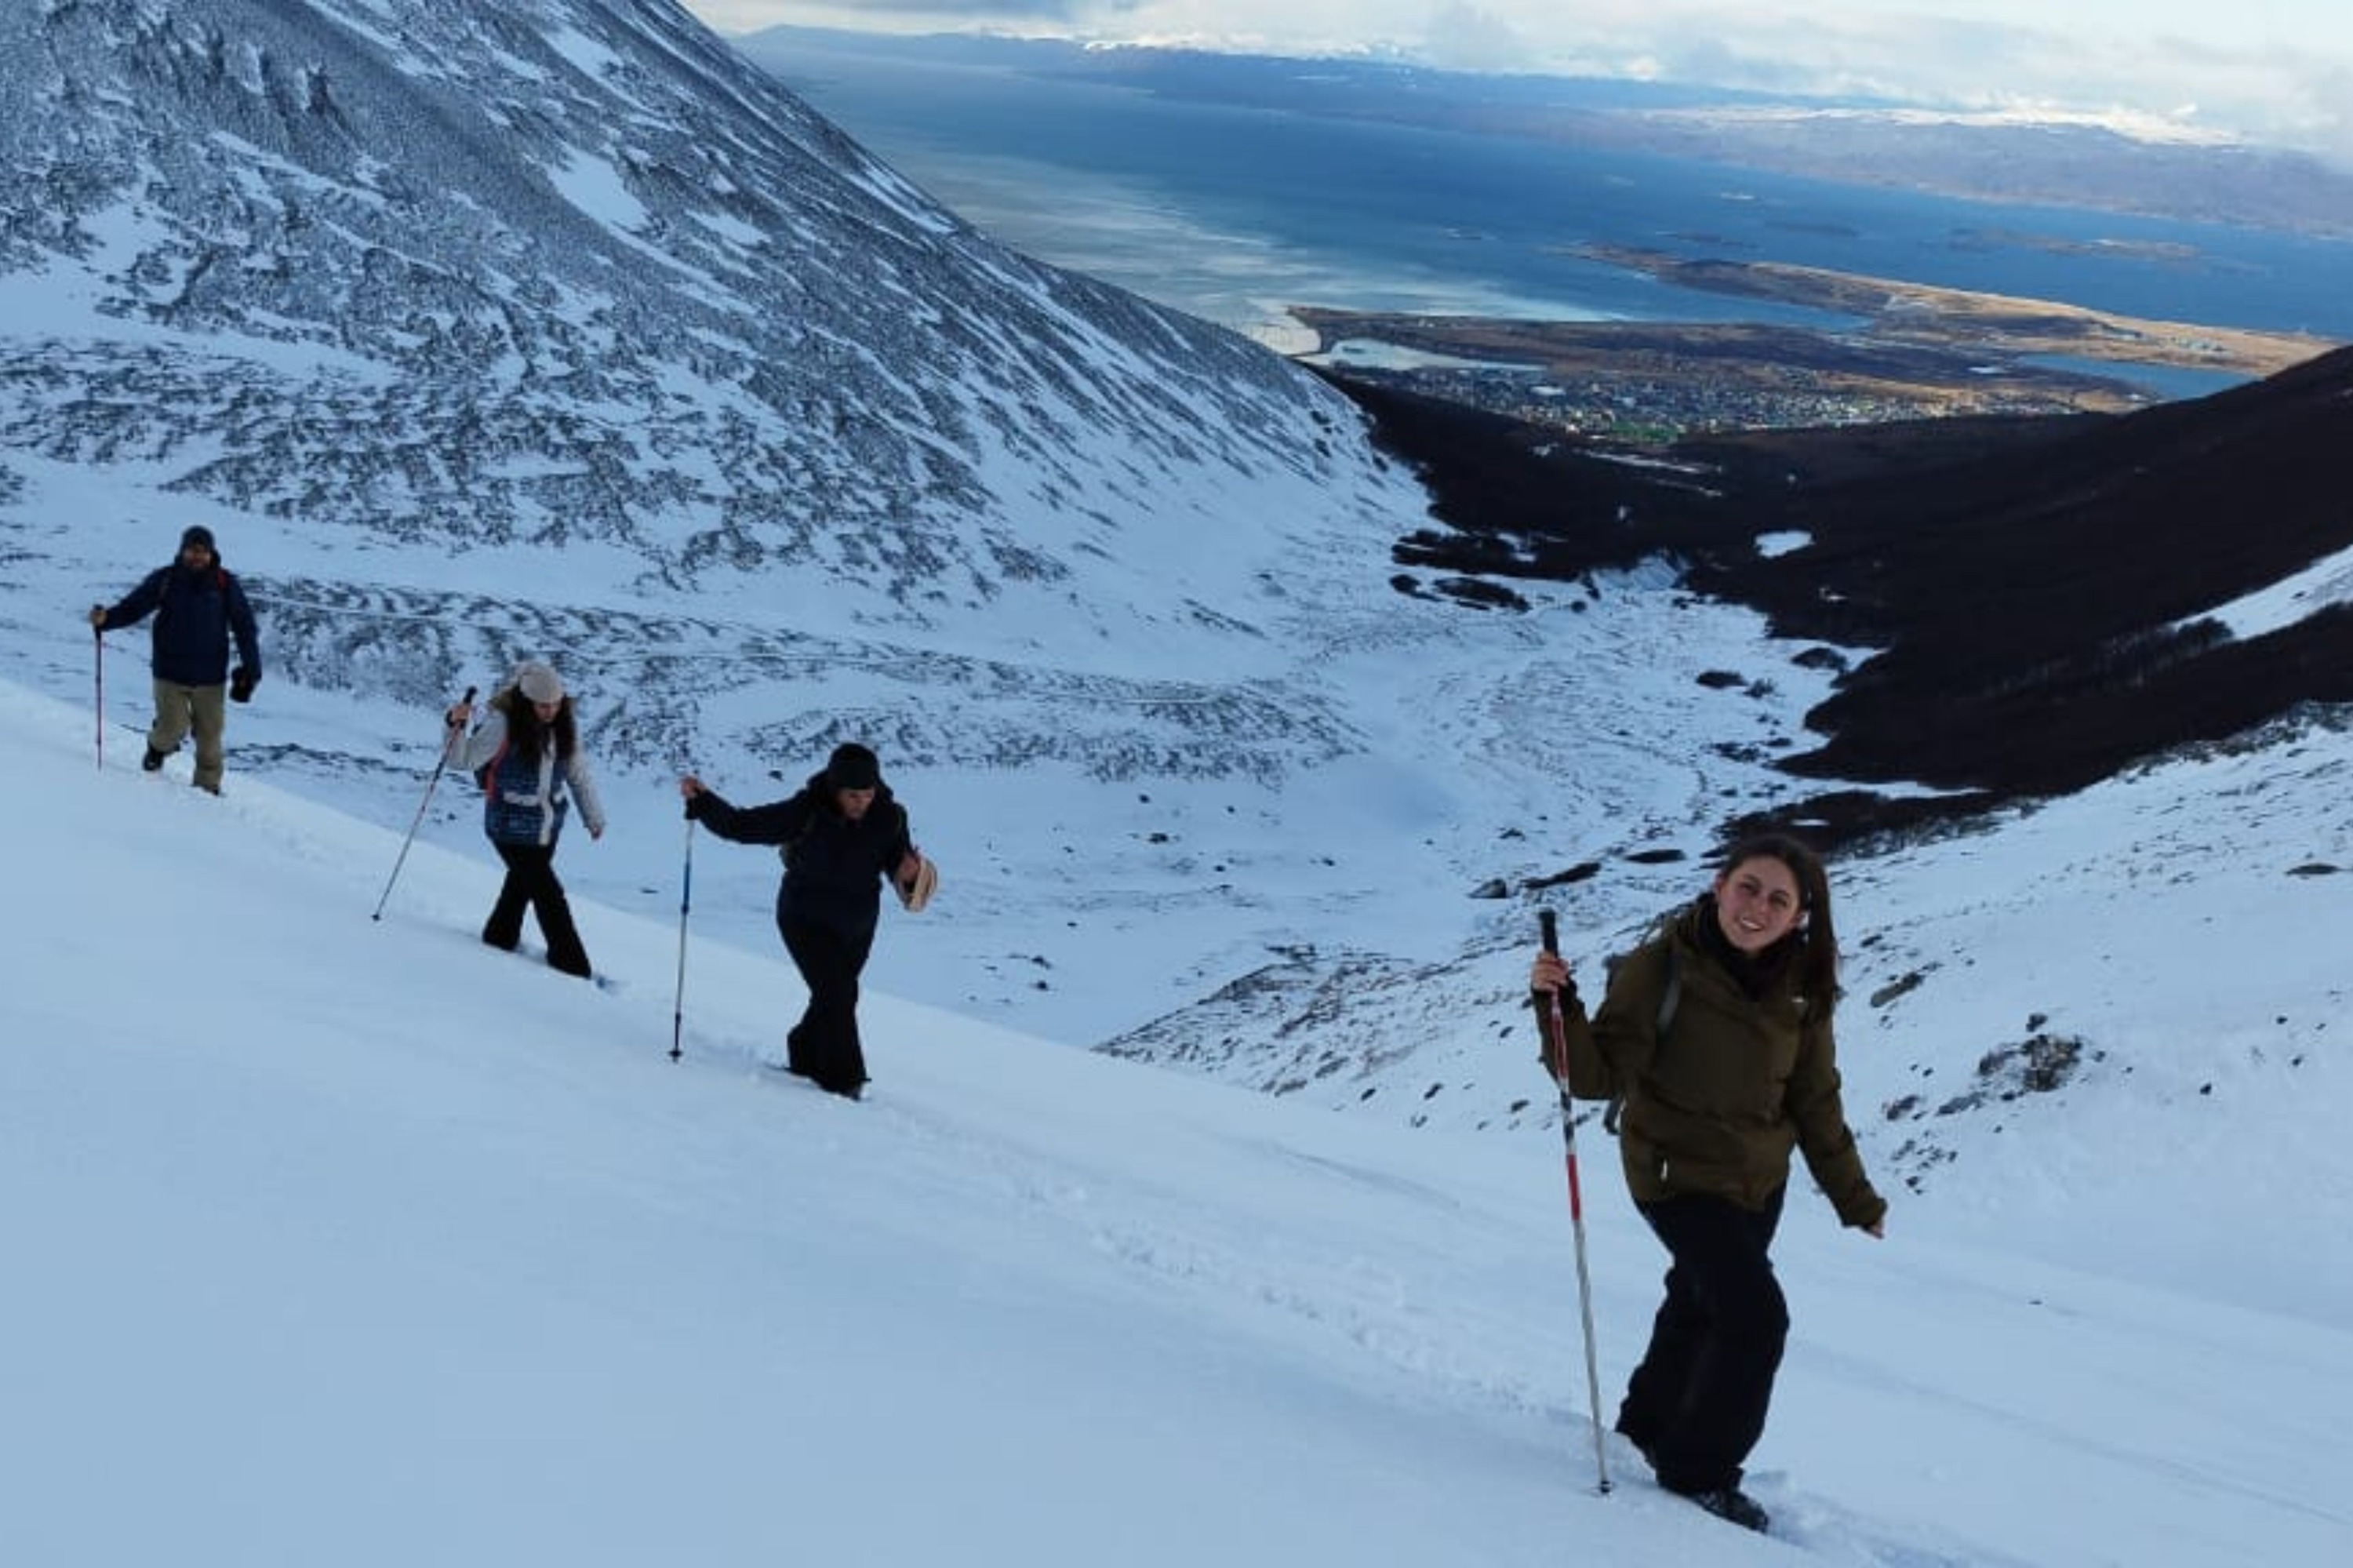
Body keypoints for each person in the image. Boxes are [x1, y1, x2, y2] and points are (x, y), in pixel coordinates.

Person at [1530, 832, 1886, 1535]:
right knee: (1756, 1318)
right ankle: (1699, 1471)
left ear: (1800, 917)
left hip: (1757, 1180)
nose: (1758, 907)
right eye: (1748, 887)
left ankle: (1647, 1423)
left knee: (1698, 1298)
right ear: (1720, 884)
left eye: (1779, 899)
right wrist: (1556, 1006)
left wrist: (1855, 1198)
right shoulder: (1660, 966)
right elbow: (1597, 1076)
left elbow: (1815, 1100)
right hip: (1673, 1172)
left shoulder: (1803, 990)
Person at [678, 743, 925, 1101]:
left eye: (868, 794)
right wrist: (703, 803)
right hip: (804, 918)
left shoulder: (890, 817)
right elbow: (743, 826)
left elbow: (897, 866)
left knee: (838, 993)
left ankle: (804, 1051)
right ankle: (846, 1083)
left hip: (858, 925)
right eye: (853, 795)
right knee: (837, 993)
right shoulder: (807, 810)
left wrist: (909, 874)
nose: (861, 802)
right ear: (836, 789)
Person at [446, 660, 605, 979]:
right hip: (508, 826)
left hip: (547, 828)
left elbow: (578, 774)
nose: (550, 711)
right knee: (550, 897)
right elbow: (461, 760)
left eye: (556, 704)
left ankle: (499, 938)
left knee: (519, 887)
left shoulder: (564, 725)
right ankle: (573, 967)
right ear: (527, 701)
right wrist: (454, 725)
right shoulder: (503, 725)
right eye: (543, 705)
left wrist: (593, 816)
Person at [89, 524, 263, 795]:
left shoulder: (225, 584)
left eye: (203, 551)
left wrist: (251, 670)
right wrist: (107, 620)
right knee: (172, 728)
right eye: (192, 550)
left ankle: (207, 790)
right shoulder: (166, 580)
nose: (198, 556)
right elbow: (135, 607)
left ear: (211, 553)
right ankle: (157, 748)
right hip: (169, 672)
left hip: (211, 678)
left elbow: (244, 626)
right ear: (182, 551)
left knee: (210, 739)